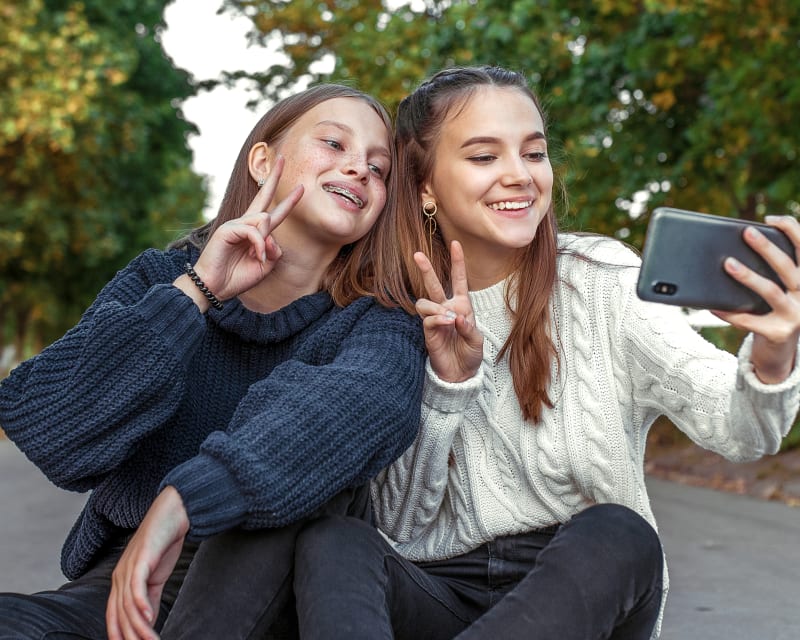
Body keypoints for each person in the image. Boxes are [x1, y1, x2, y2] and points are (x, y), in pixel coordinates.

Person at [291, 65, 800, 639]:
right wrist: (447, 389)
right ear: (425, 185)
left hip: (584, 595)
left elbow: (742, 431)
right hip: (440, 595)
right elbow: (402, 528)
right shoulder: (384, 312)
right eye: (484, 157)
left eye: (533, 154)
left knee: (619, 532)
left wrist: (774, 350)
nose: (519, 176)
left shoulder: (601, 282)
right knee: (335, 540)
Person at [0, 83, 427, 640]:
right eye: (334, 144)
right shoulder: (161, 280)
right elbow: (53, 428)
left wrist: (187, 498)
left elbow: (357, 407)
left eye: (378, 166)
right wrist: (197, 291)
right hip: (130, 583)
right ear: (262, 160)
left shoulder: (380, 320)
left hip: (279, 591)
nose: (360, 170)